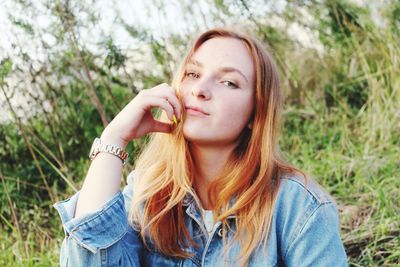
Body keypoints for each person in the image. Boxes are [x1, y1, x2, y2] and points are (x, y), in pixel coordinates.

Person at [54, 28, 348, 267]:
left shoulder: (299, 208)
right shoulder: (147, 197)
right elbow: (88, 261)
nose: (199, 90)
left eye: (229, 82)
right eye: (193, 74)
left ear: (256, 113)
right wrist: (114, 139)